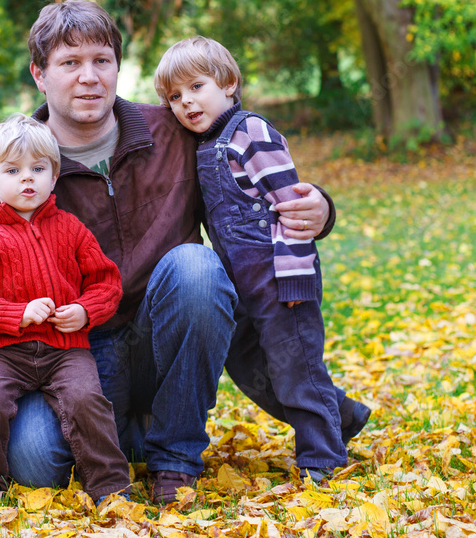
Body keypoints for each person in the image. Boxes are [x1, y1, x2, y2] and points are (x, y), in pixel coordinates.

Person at [0, 0, 353, 504]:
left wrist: (319, 210)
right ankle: (131, 433)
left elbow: (252, 187)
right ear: (39, 75)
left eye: (101, 61)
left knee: (195, 267)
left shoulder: (175, 131)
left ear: (117, 67)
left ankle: (173, 453)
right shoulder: (14, 171)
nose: (89, 77)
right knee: (33, 464)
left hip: (163, 337)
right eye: (70, 64)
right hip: (71, 357)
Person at [153, 36, 371, 481]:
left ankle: (322, 460)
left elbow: (291, 210)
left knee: (296, 368)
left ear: (229, 82)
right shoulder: (202, 144)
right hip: (242, 290)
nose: (187, 102)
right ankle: (342, 414)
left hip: (280, 281)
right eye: (175, 97)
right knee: (249, 367)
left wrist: (292, 282)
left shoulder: (251, 132)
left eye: (197, 87)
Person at [0, 113, 131, 514]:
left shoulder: (71, 228)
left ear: (54, 176)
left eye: (38, 168)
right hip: (5, 352)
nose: (27, 179)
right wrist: (17, 314)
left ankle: (111, 487)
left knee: (87, 400)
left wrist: (84, 312)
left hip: (66, 349)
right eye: (13, 170)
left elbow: (107, 282)